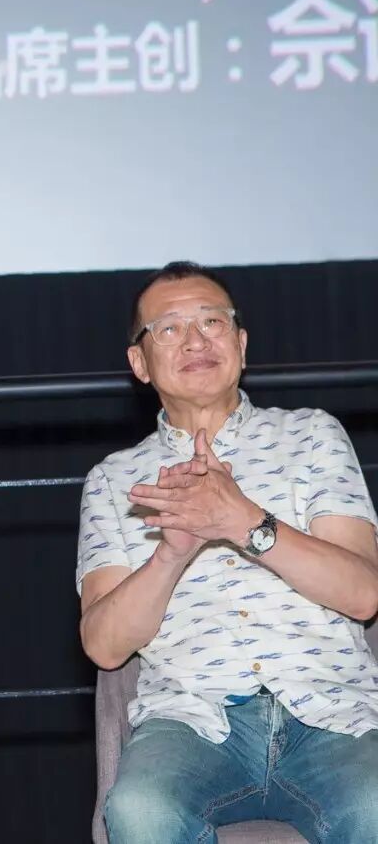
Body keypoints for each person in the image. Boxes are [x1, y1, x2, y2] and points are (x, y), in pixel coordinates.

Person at [78, 261, 378, 842]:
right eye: (170, 328)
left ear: (240, 343)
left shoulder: (312, 435)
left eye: (212, 321)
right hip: (193, 722)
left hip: (331, 712)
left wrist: (244, 521)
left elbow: (364, 595)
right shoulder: (114, 480)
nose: (196, 340)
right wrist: (171, 555)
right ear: (140, 363)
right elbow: (104, 645)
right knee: (139, 809)